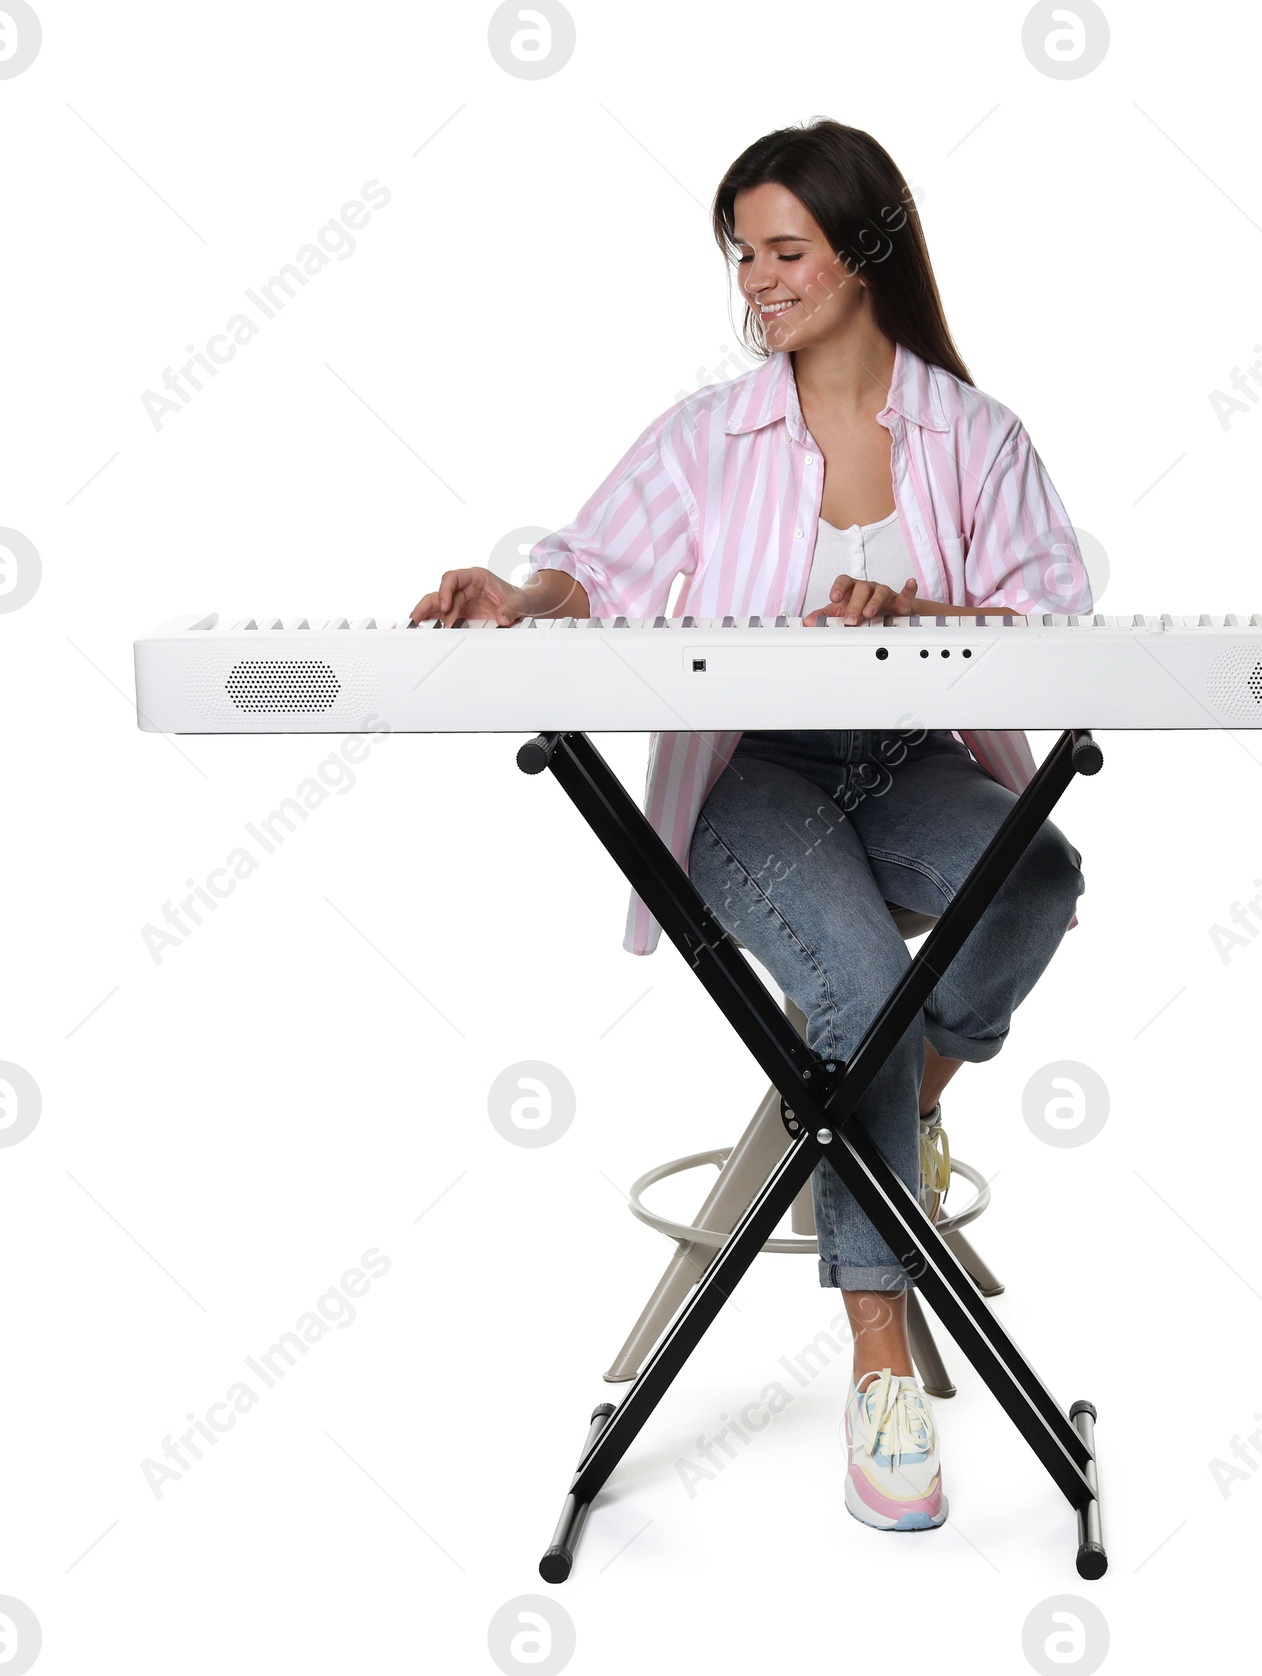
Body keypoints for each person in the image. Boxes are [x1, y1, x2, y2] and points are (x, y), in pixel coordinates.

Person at [411, 118, 1089, 1534]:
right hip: (757, 780)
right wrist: (516, 598)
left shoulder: (975, 437)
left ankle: (885, 1120)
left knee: (1034, 875)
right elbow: (588, 568)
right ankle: (883, 1365)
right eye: (743, 254)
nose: (758, 281)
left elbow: (1055, 617)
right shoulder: (709, 437)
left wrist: (923, 608)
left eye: (785, 249)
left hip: (909, 764)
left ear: (868, 250)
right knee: (855, 986)